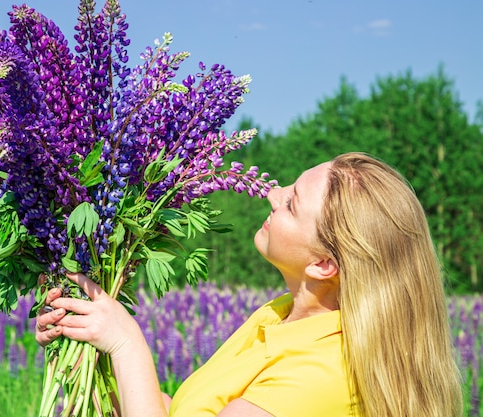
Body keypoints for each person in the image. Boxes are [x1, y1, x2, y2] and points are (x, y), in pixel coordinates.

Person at [35, 152, 463, 417]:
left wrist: (127, 343)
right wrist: (90, 338)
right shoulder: (278, 315)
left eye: (292, 203)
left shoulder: (326, 373)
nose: (273, 193)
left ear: (324, 265)